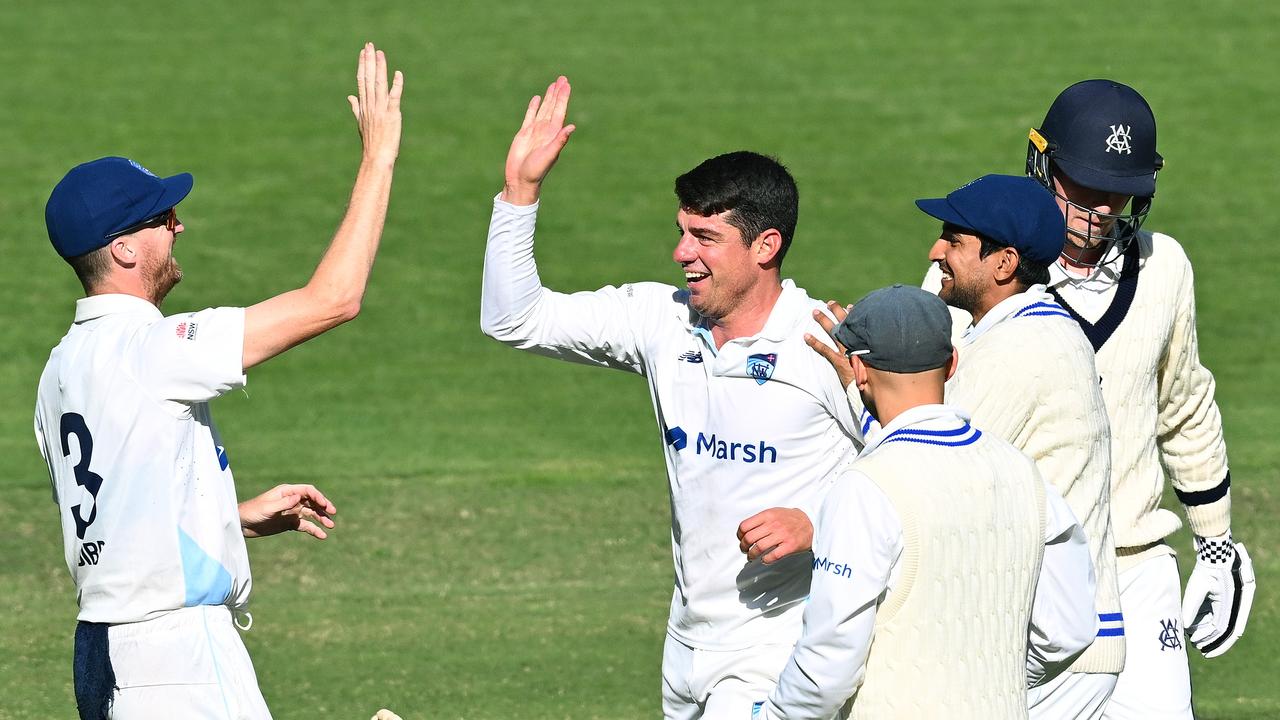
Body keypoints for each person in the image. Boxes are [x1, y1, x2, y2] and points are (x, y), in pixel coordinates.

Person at [34, 44, 403, 719]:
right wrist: (379, 157)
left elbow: (111, 518)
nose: (179, 225)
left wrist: (228, 523)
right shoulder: (148, 347)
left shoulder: (60, 368)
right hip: (172, 658)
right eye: (161, 218)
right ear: (123, 249)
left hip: (108, 652)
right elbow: (334, 299)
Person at [480, 77, 859, 719]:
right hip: (684, 651)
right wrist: (521, 192)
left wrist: (820, 528)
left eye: (705, 238)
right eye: (683, 231)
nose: (682, 252)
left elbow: (916, 484)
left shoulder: (828, 345)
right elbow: (513, 320)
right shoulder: (662, 322)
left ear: (766, 246)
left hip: (778, 649)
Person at [758, 284, 1097, 719]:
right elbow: (1069, 629)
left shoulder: (865, 487)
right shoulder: (1023, 473)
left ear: (858, 370)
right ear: (952, 364)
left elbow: (829, 663)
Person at [1025, 79, 1255, 719]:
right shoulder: (984, 266)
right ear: (1044, 164)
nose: (1098, 208)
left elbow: (1183, 406)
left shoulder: (1165, 268)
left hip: (1135, 567)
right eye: (1084, 185)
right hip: (1023, 572)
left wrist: (1215, 547)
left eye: (1115, 192)